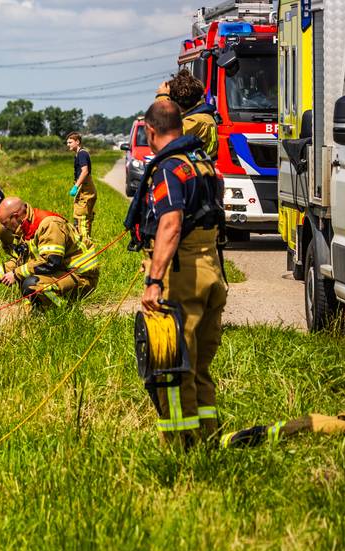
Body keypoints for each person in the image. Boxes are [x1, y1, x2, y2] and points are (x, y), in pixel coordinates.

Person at [126, 99, 227, 449]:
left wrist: (155, 280)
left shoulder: (169, 168)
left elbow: (171, 223)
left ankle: (180, 446)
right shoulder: (201, 161)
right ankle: (208, 438)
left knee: (173, 364)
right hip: (210, 268)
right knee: (199, 366)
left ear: (150, 130)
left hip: (183, 274)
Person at [0, 197, 99, 309]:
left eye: (5, 223)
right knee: (25, 277)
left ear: (15, 216)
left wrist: (16, 274)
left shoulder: (49, 224)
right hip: (63, 272)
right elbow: (19, 262)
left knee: (31, 284)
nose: (4, 228)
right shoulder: (25, 228)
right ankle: (42, 310)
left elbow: (51, 262)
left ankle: (64, 310)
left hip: (81, 276)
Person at [156, 69, 218, 158]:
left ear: (177, 103)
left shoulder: (196, 121)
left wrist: (162, 97)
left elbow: (166, 134)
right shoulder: (202, 116)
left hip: (195, 165)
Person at [66, 132, 97, 246]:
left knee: (81, 216)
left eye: (70, 142)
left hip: (85, 188)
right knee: (85, 217)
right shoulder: (80, 154)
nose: (68, 145)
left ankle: (84, 244)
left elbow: (85, 171)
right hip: (84, 187)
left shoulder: (82, 154)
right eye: (67, 143)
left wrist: (76, 186)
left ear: (77, 142)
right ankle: (87, 240)